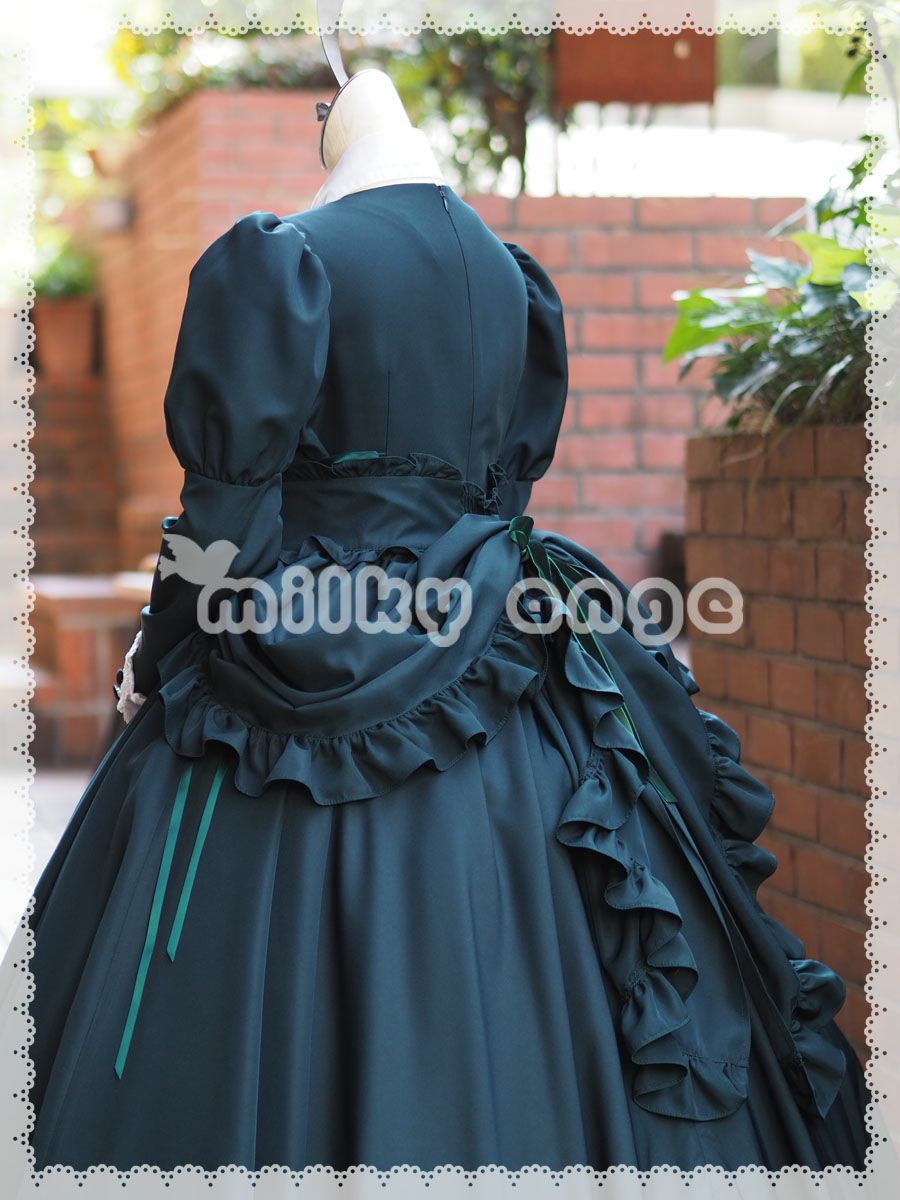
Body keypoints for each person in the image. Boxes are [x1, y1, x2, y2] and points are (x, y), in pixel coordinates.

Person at [22, 67, 870, 1173]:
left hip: (292, 656)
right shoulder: (509, 279)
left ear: (330, 124)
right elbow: (499, 494)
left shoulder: (284, 258)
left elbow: (226, 506)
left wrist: (170, 633)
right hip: (498, 656)